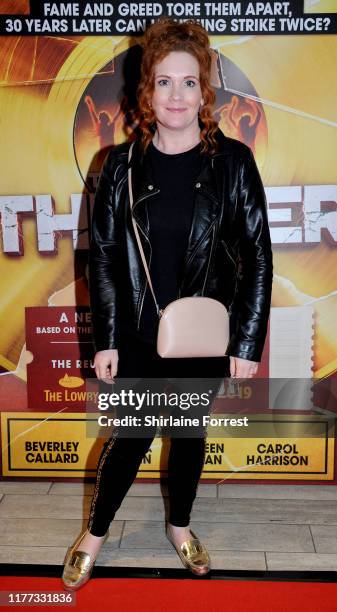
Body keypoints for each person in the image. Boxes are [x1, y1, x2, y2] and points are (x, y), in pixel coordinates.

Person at [62, 18, 273, 590]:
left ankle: (179, 525)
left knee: (186, 436)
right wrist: (105, 338)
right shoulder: (119, 167)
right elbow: (103, 258)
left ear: (205, 91)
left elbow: (258, 255)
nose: (176, 95)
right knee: (129, 439)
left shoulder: (233, 163)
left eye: (188, 82)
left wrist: (248, 341)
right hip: (134, 333)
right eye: (163, 82)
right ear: (146, 92)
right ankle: (95, 533)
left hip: (203, 336)